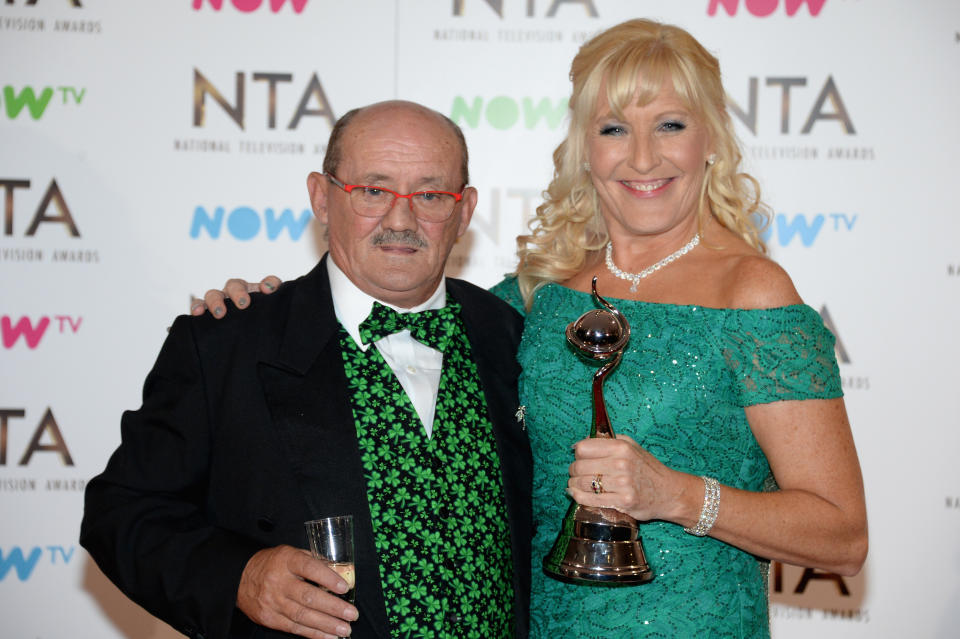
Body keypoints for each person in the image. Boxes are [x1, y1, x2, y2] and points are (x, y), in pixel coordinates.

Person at [199, 19, 868, 639]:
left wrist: (677, 495)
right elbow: (393, 311)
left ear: (711, 140)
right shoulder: (536, 295)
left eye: (669, 124)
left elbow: (841, 534)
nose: (641, 157)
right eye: (612, 129)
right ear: (584, 148)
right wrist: (265, 308)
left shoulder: (753, 292)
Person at [80, 101, 533, 639]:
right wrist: (239, 577)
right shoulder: (227, 342)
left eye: (431, 195)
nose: (400, 219)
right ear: (322, 197)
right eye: (373, 190)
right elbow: (122, 512)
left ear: (464, 211)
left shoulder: (512, 337)